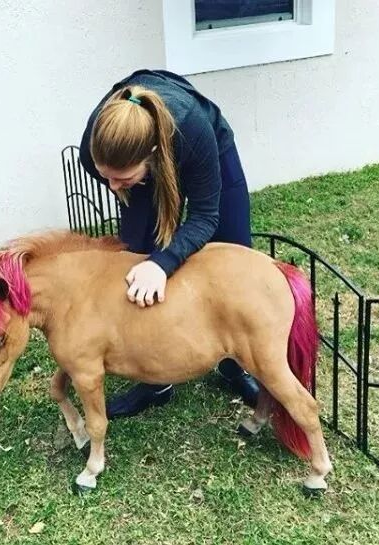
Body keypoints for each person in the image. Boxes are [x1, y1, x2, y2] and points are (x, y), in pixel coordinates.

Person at [79, 69, 259, 418]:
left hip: (206, 147)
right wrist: (150, 253)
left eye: (121, 179)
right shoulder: (95, 147)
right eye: (106, 177)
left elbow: (205, 215)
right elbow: (120, 180)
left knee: (234, 253)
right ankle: (155, 379)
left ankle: (234, 365)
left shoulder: (192, 127)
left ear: (151, 153)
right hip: (144, 166)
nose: (113, 187)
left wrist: (165, 261)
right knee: (137, 253)